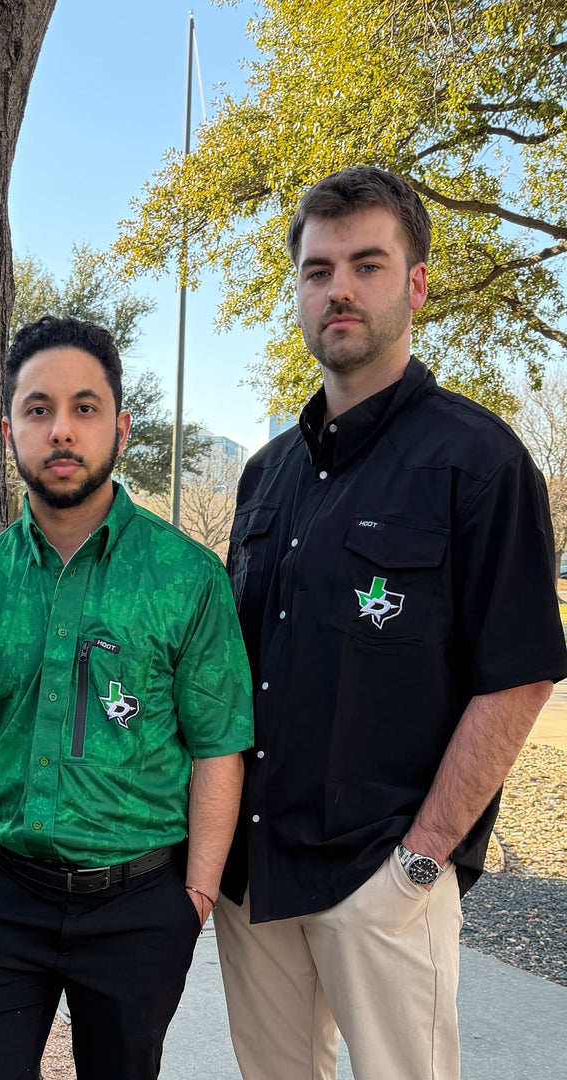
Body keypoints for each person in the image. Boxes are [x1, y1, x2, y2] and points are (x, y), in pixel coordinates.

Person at [215, 166, 567, 1080]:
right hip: (256, 880)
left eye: (367, 264)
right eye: (318, 268)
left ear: (415, 284)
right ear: (297, 289)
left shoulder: (479, 463)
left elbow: (520, 672)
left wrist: (421, 861)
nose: (339, 288)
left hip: (383, 878)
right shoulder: (266, 475)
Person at [0, 315, 253, 1080]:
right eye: (39, 410)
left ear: (121, 428)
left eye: (85, 408)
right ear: (9, 432)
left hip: (141, 905)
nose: (61, 430)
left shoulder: (188, 579)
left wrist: (194, 896)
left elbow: (218, 745)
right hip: (0, 896)